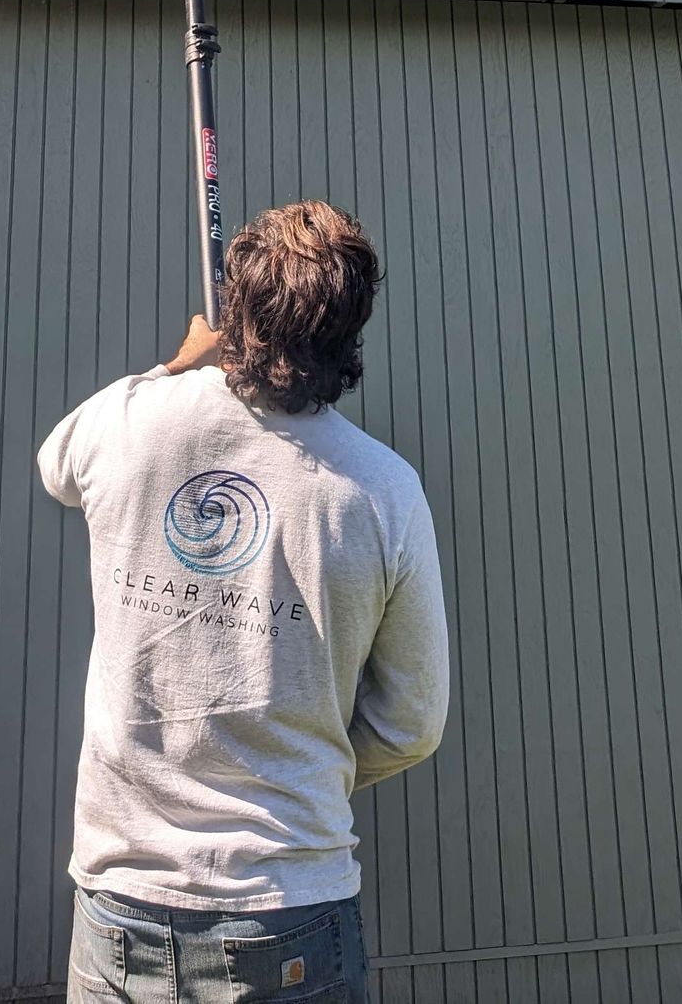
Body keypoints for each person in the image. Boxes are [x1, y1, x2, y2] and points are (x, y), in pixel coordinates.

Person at [38, 199, 450, 1004]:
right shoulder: (384, 494)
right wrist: (299, 770)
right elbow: (414, 722)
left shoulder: (129, 422)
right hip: (291, 904)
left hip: (121, 899)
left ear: (236, 310)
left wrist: (177, 367)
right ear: (350, 330)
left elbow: (57, 466)